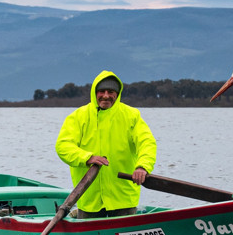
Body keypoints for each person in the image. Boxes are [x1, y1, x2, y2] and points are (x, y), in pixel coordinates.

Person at [55, 70, 157, 219]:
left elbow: (147, 143)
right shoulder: (77, 117)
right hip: (88, 197)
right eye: (102, 91)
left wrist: (143, 166)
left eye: (111, 91)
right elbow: (63, 146)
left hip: (123, 199)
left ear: (118, 93)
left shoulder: (132, 116)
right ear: (94, 92)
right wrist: (87, 158)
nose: (106, 95)